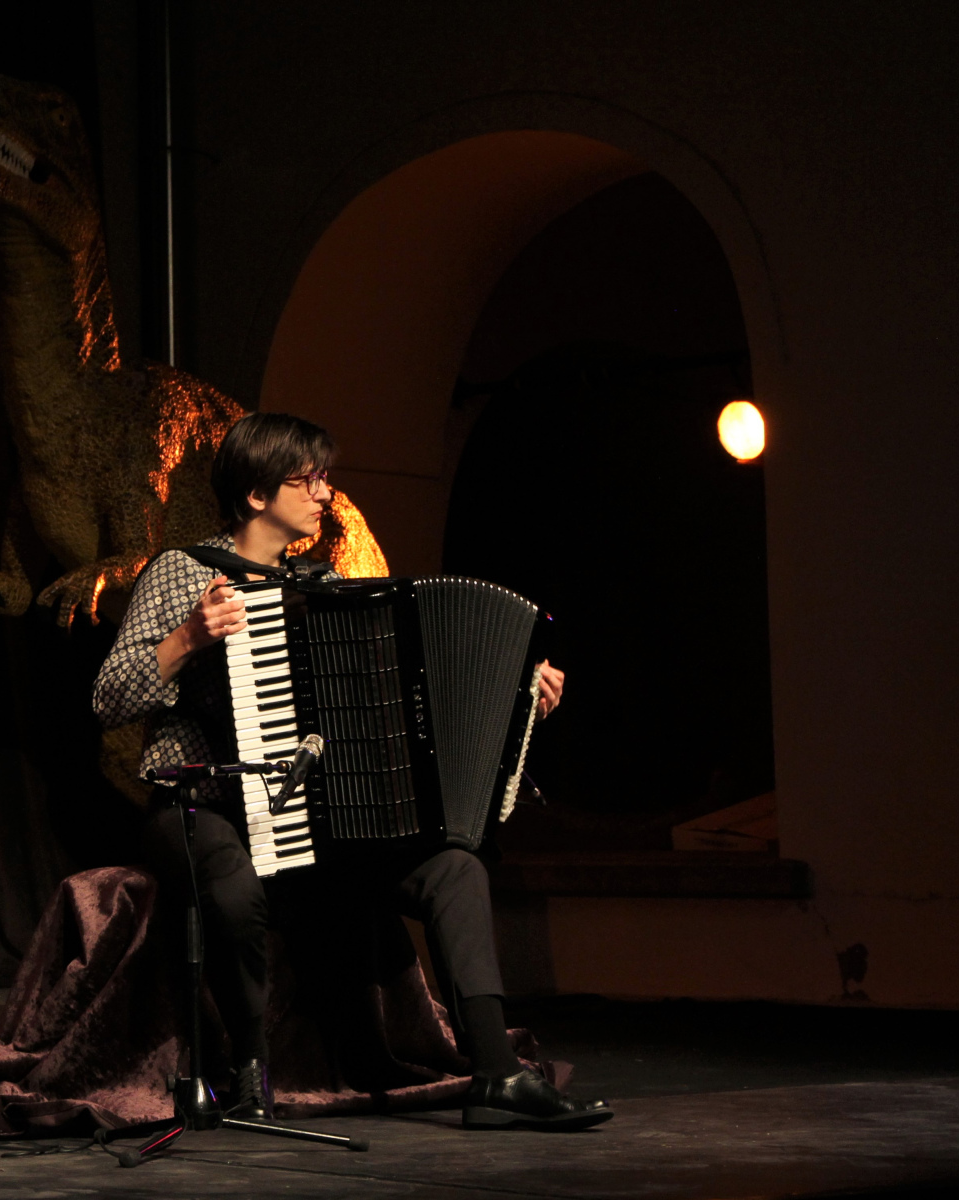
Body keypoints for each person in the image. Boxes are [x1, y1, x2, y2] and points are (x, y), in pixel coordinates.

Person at [92, 411, 609, 1130]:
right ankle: (247, 1073)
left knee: (455, 868)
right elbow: (109, 698)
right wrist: (186, 638)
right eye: (307, 480)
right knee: (234, 891)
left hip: (320, 818)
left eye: (324, 478)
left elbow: (387, 708)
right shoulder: (183, 572)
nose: (324, 494)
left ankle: (496, 1074)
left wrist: (519, 700)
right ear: (255, 494)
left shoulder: (328, 587)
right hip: (207, 802)